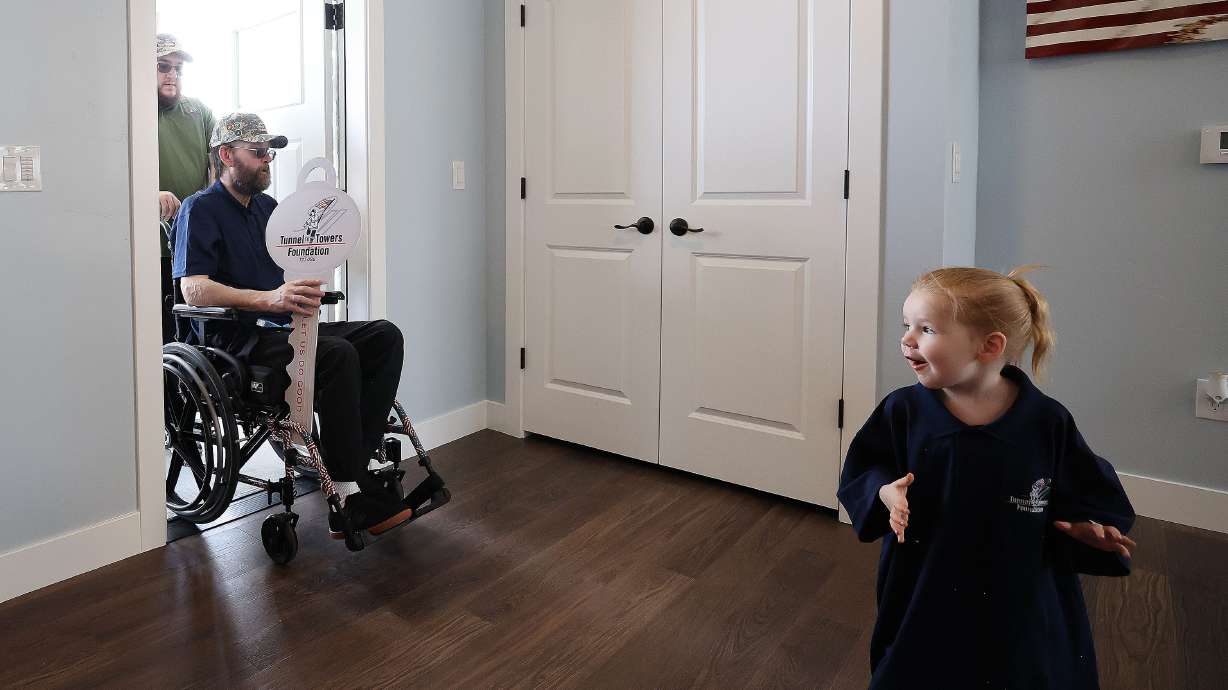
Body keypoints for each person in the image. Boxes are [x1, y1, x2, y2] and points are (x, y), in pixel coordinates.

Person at [837, 266, 1136, 689]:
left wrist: (1090, 530)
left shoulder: (1046, 422)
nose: (906, 340)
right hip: (925, 587)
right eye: (907, 326)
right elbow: (865, 470)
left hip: (1020, 597)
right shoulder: (903, 411)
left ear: (989, 346)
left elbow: (1088, 493)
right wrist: (885, 493)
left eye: (927, 329)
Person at [172, 112, 430, 537]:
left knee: (385, 336)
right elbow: (193, 290)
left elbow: (291, 271)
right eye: (257, 153)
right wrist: (268, 299)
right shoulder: (200, 210)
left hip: (283, 329)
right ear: (225, 155)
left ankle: (353, 466)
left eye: (269, 153)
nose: (266, 161)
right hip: (235, 342)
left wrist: (303, 285)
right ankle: (347, 491)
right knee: (337, 355)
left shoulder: (270, 210)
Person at [157, 33, 215, 343]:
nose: (172, 75)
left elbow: (220, 163)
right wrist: (149, 195)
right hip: (153, 249)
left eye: (178, 69)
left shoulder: (198, 112)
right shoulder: (133, 114)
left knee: (199, 336)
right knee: (162, 336)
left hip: (195, 245)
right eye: (163, 66)